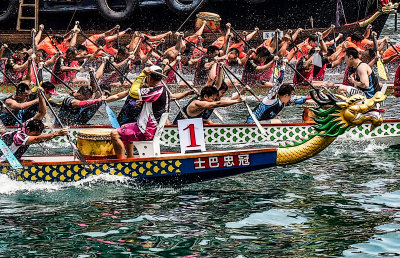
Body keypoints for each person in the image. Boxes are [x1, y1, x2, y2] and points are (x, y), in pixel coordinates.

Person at [109, 66, 170, 159]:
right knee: (124, 126)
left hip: (147, 130)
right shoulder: (163, 89)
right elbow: (156, 107)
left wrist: (142, 74)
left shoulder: (156, 90)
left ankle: (121, 162)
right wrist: (143, 105)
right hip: (150, 128)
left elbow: (132, 92)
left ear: (149, 78)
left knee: (114, 134)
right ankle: (130, 156)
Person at [0, 87, 68, 162]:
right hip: (3, 158)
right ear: (28, 130)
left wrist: (41, 97)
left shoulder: (26, 124)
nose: (35, 136)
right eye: (34, 134)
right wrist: (57, 133)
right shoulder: (20, 137)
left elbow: (42, 112)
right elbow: (36, 139)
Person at [173, 86, 244, 124]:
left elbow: (228, 101)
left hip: (190, 126)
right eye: (212, 98)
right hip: (177, 129)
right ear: (205, 97)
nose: (214, 100)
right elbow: (218, 103)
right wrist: (237, 101)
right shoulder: (196, 103)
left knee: (209, 122)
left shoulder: (204, 99)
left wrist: (243, 91)